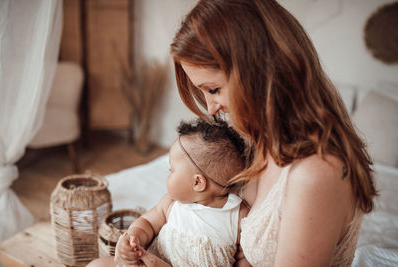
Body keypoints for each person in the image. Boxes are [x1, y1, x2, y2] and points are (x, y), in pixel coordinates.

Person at [170, 0, 377, 266]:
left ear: (258, 74)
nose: (211, 109)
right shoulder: (254, 140)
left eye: (213, 89)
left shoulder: (315, 174)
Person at [87, 119, 250, 267]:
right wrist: (133, 239)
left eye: (171, 170)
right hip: (149, 262)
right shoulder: (171, 204)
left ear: (197, 182)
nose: (168, 174)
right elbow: (147, 224)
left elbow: (245, 258)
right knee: (97, 265)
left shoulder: (237, 217)